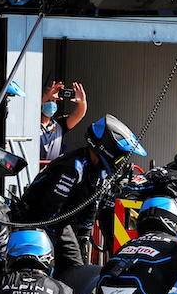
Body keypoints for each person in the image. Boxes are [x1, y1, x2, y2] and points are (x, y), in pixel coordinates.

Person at [13, 114, 146, 272]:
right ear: (106, 150)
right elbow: (47, 213)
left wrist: (83, 238)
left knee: (77, 270)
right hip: (34, 224)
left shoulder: (99, 171)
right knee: (42, 271)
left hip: (59, 224)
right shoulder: (71, 168)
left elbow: (90, 206)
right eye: (120, 158)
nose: (122, 163)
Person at [39, 81, 87, 163]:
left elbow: (77, 115)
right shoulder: (31, 122)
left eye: (53, 100)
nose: (50, 103)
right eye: (48, 100)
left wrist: (82, 102)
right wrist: (46, 97)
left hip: (52, 171)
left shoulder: (59, 124)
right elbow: (32, 108)